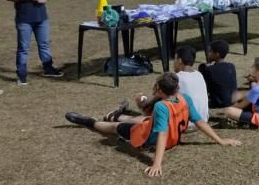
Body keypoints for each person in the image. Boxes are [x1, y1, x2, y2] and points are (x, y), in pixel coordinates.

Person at [64, 72, 240, 177]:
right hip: (168, 133)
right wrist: (220, 140)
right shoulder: (185, 98)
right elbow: (200, 122)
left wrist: (157, 163)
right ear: (177, 88)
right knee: (142, 120)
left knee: (114, 128)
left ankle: (89, 122)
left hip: (147, 137)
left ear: (160, 91)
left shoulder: (161, 106)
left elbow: (162, 135)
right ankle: (116, 115)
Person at [4, 0, 63, 85]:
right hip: (24, 19)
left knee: (44, 44)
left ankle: (48, 69)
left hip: (42, 18)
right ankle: (21, 75)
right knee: (23, 48)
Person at [173, 46, 209, 130]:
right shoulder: (199, 74)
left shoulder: (177, 77)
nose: (173, 62)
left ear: (180, 60)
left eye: (175, 59)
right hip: (203, 120)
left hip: (186, 123)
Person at [198, 40, 237, 108]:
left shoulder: (210, 70)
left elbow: (205, 87)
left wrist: (203, 69)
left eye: (210, 51)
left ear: (217, 54)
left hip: (219, 102)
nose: (208, 54)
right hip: (233, 100)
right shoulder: (231, 66)